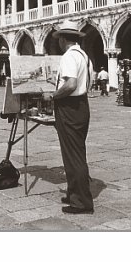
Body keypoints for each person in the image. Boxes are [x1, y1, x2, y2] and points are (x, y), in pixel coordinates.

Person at [50, 20, 94, 215]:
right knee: (76, 153)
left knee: (73, 155)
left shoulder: (69, 56)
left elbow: (70, 85)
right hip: (82, 106)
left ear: (63, 39)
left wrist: (52, 95)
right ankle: (74, 192)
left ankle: (81, 202)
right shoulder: (84, 56)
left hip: (70, 107)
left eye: (59, 38)